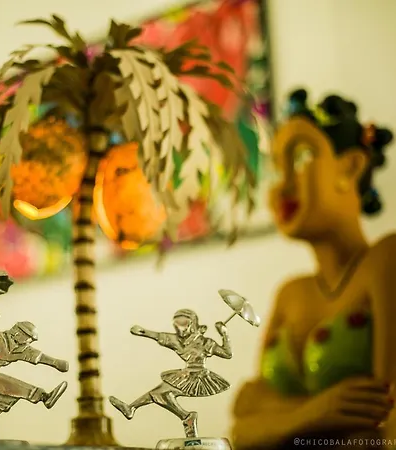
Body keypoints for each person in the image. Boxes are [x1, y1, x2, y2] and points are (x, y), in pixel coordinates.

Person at [231, 89, 395, 449]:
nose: (282, 187)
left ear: (350, 167)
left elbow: (381, 424)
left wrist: (273, 420)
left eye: (302, 157)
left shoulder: (387, 260)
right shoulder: (290, 294)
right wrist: (317, 412)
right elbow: (240, 429)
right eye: (278, 167)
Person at [109, 309, 232, 437]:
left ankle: (184, 416)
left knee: (159, 393)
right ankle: (134, 408)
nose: (180, 330)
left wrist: (224, 334)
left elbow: (227, 353)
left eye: (184, 325)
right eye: (177, 326)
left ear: (192, 325)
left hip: (198, 377)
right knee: (159, 393)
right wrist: (143, 332)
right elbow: (159, 336)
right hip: (184, 375)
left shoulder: (206, 343)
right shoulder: (176, 340)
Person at [0, 306, 69, 440]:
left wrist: (56, 363)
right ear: (18, 333)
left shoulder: (21, 350)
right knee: (13, 385)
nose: (29, 342)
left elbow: (39, 356)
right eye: (28, 338)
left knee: (13, 393)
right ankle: (43, 396)